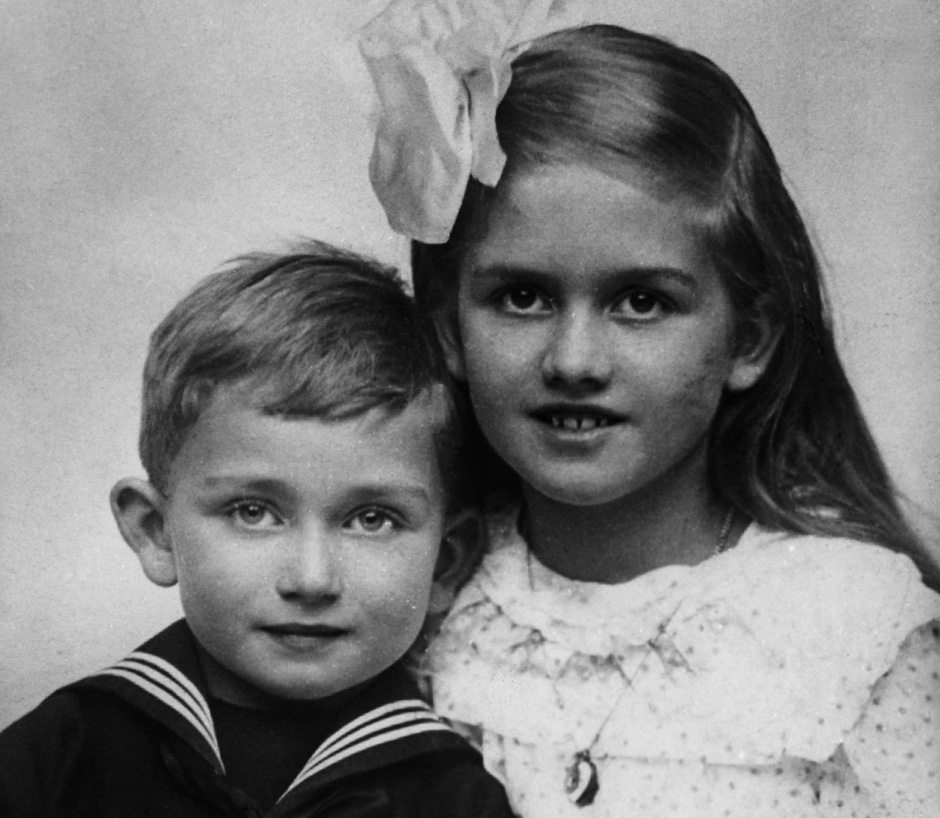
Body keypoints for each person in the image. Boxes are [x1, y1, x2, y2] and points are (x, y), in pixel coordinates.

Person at [362, 10, 940, 818]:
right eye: (521, 297)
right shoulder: (418, 603)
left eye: (641, 302)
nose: (574, 360)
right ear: (448, 328)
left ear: (751, 337)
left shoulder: (847, 628)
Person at [0, 242, 515, 818]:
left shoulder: (456, 801)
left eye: (372, 519)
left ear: (446, 562)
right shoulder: (66, 753)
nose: (311, 579)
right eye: (253, 512)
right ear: (155, 531)